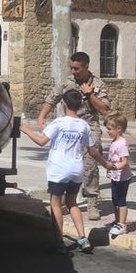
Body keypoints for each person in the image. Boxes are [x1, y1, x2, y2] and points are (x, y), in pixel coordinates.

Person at [21, 88, 110, 253]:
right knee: (72, 203)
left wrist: (26, 130)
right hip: (76, 169)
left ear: (64, 104)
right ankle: (83, 238)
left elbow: (41, 141)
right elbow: (92, 150)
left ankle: (59, 241)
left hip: (59, 169)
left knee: (55, 204)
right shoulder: (84, 125)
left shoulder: (59, 123)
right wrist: (105, 164)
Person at [36, 51, 110, 220]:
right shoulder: (68, 82)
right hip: (69, 125)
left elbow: (105, 110)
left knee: (90, 164)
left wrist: (90, 94)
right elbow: (52, 98)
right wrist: (41, 116)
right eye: (72, 68)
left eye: (76, 68)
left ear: (86, 67)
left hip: (89, 126)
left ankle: (92, 201)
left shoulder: (98, 84)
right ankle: (61, 201)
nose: (73, 71)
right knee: (65, 162)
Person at [103, 112, 132, 238]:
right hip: (115, 176)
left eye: (109, 129)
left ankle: (122, 224)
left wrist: (115, 167)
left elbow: (124, 161)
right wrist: (110, 169)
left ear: (118, 129)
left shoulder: (122, 143)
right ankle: (117, 221)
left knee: (121, 200)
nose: (107, 131)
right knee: (115, 199)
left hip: (122, 177)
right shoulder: (114, 141)